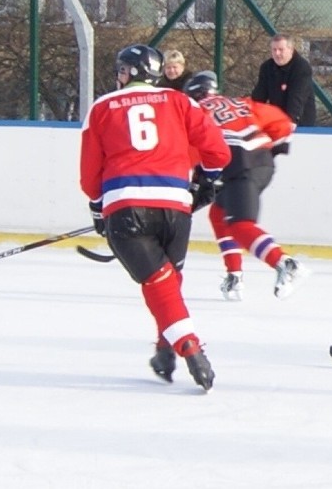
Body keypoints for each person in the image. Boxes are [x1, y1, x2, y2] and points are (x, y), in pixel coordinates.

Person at [79, 44, 231, 392]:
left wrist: (97, 206)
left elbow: (90, 176)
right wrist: (208, 179)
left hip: (126, 208)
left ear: (131, 73)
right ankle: (165, 351)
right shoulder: (180, 101)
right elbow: (217, 150)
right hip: (175, 207)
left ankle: (190, 347)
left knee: (158, 283)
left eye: (121, 70)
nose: (118, 76)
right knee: (167, 282)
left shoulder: (102, 107)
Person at [184, 71, 308, 300]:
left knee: (241, 225)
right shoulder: (240, 102)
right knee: (219, 214)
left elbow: (190, 154)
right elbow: (283, 123)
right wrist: (272, 150)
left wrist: (191, 185)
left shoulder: (196, 112)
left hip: (241, 168)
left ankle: (284, 263)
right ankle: (234, 276)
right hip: (261, 162)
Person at [251, 34, 316, 126]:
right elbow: (259, 95)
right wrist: (251, 116)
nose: (277, 53)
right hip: (276, 120)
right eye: (274, 50)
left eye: (281, 50)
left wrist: (291, 121)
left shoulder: (301, 68)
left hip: (301, 124)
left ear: (291, 50)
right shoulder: (267, 67)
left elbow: (297, 97)